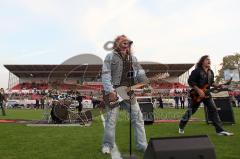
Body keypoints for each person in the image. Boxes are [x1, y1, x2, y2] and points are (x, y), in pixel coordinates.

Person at [101, 35, 148, 154]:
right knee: (111, 121)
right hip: (114, 92)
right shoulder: (110, 56)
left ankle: (142, 145)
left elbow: (140, 74)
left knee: (138, 119)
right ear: (117, 44)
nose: (125, 43)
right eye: (121, 41)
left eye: (126, 41)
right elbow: (105, 74)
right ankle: (107, 145)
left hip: (129, 92)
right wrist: (110, 90)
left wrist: (145, 81)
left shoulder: (133, 59)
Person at [178, 55, 233, 136]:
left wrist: (219, 85)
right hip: (196, 94)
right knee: (191, 111)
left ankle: (219, 131)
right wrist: (199, 90)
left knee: (213, 109)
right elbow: (190, 81)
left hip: (207, 94)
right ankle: (181, 126)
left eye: (209, 59)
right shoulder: (196, 71)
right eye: (207, 59)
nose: (209, 61)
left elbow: (211, 83)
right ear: (202, 61)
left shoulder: (211, 72)